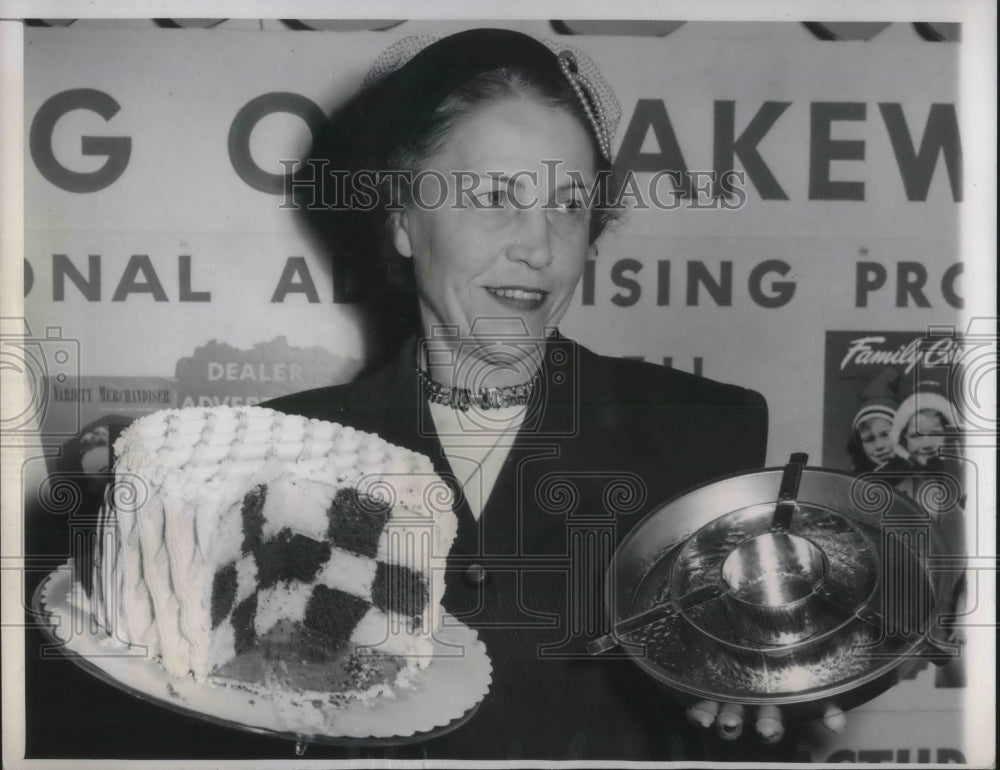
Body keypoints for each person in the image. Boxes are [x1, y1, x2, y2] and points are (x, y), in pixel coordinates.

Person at [267, 28, 845, 761]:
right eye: (495, 196)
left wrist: (800, 687)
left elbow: (762, 689)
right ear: (400, 218)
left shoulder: (704, 433)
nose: (538, 246)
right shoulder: (281, 454)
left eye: (569, 204)